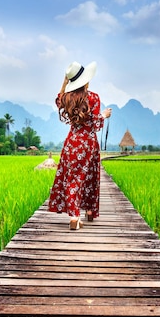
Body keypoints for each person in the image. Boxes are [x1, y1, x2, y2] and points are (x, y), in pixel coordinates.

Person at [48, 61, 112, 230]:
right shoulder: (93, 97)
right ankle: (85, 213)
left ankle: (75, 215)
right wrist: (104, 115)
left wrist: (65, 82)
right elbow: (94, 123)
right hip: (88, 144)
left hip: (72, 142)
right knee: (88, 177)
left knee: (71, 178)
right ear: (86, 80)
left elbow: (58, 99)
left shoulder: (67, 98)